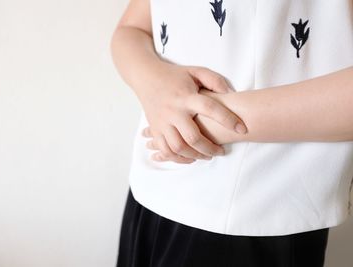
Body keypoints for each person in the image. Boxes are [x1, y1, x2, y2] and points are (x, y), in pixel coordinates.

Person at [110, 0, 353, 266]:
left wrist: (207, 118)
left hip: (256, 213)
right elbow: (132, 29)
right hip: (150, 190)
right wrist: (156, 85)